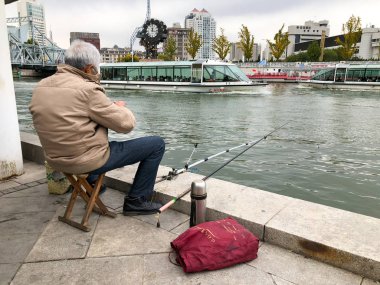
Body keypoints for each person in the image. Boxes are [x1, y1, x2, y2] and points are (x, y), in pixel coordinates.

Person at [29, 40, 165, 215]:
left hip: (55, 159)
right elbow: (126, 125)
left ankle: (92, 185)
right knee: (156, 144)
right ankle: (136, 201)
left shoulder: (41, 86)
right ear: (89, 68)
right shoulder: (87, 89)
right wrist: (119, 108)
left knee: (87, 139)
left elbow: (69, 118)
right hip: (84, 161)